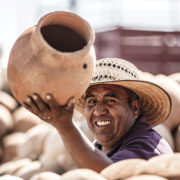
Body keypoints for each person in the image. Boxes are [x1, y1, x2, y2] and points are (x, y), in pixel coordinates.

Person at [23, 58, 173, 172]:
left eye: (110, 100)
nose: (99, 110)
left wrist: (65, 126)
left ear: (135, 108)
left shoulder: (147, 146)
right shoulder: (102, 145)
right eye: (92, 101)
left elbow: (110, 174)